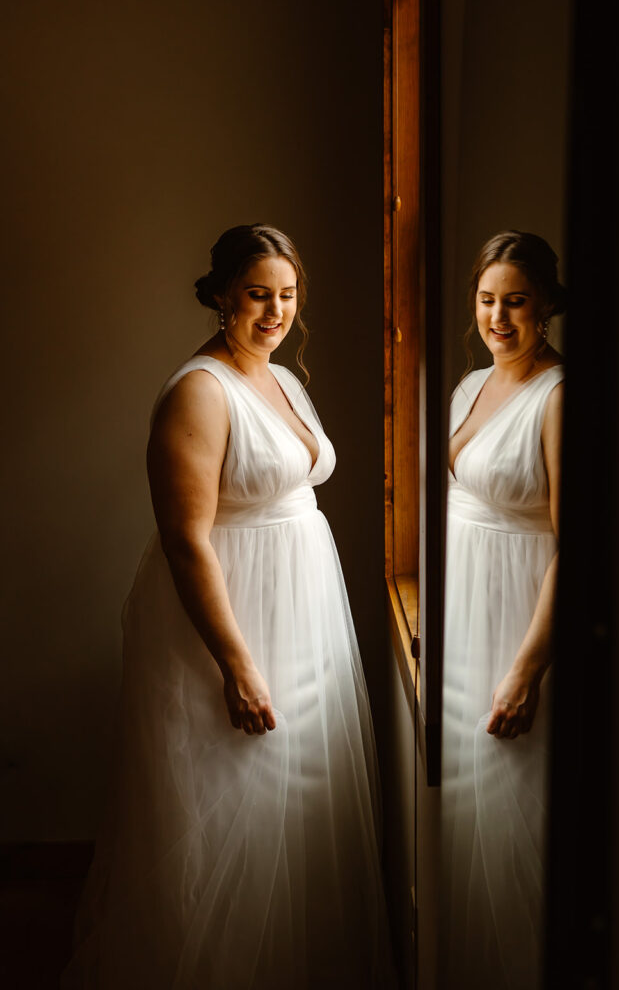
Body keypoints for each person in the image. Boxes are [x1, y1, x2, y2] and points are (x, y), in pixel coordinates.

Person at [62, 224, 396, 989]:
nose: (275, 312)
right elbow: (186, 540)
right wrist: (236, 663)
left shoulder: (279, 378)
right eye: (257, 295)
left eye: (286, 296)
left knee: (298, 801)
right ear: (220, 296)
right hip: (235, 618)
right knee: (233, 804)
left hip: (303, 607)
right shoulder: (199, 391)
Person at [440, 231, 565, 989]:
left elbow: (575, 546)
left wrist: (527, 670)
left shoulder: (559, 397)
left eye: (514, 302)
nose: (497, 317)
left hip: (519, 618)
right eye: (487, 301)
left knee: (520, 812)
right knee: (467, 813)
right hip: (461, 612)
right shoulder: (468, 387)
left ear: (545, 304)